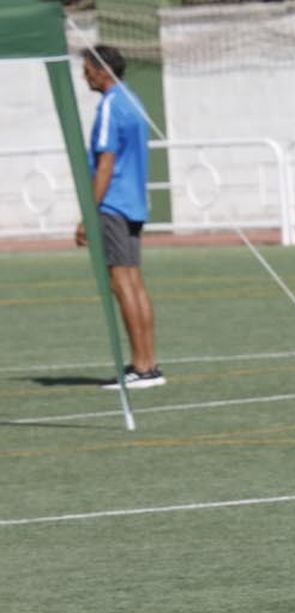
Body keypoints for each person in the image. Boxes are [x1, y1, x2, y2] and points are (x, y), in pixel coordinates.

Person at [78, 45, 163, 389]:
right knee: (134, 283)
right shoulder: (133, 99)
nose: (84, 75)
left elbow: (106, 165)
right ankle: (147, 363)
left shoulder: (112, 106)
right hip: (134, 203)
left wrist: (88, 213)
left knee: (122, 284)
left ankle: (142, 368)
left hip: (113, 205)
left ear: (102, 71)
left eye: (87, 69)